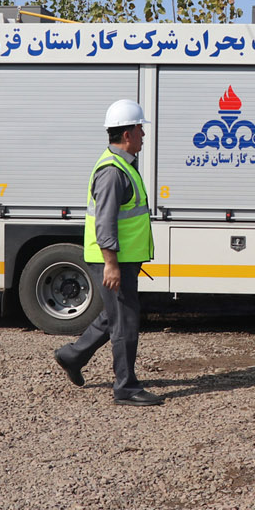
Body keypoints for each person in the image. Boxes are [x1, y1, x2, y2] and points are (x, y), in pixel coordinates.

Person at [53, 99, 163, 407]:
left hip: (122, 260)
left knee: (114, 315)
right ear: (127, 135)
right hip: (113, 260)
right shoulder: (113, 172)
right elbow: (105, 222)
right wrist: (111, 264)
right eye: (140, 129)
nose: (144, 134)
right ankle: (125, 387)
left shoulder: (122, 166)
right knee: (124, 320)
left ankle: (72, 355)